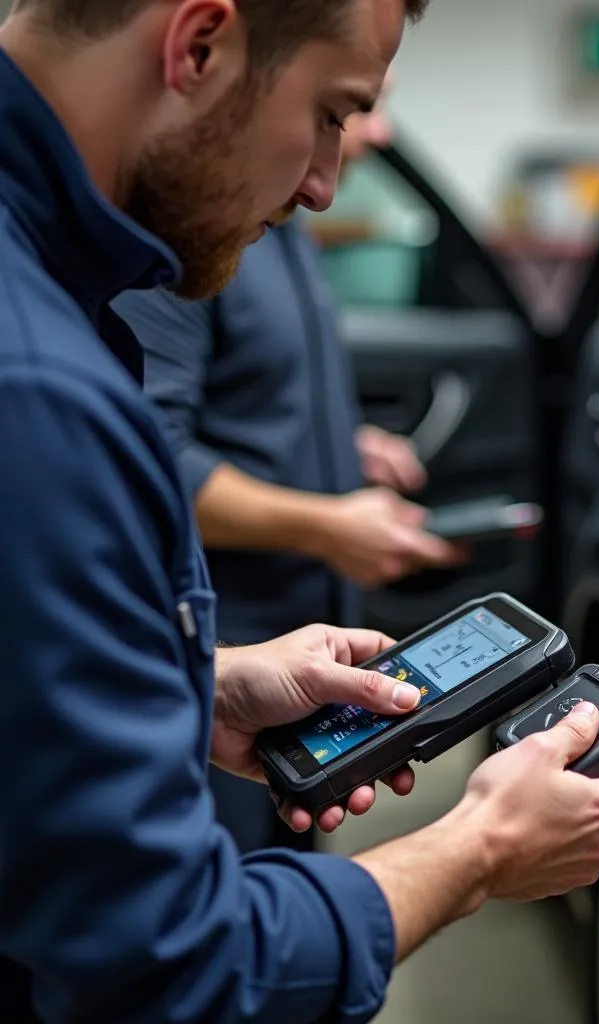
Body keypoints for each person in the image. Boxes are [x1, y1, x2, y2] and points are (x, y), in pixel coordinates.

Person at [0, 2, 599, 1022]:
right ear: (199, 44)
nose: (323, 180)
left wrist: (201, 685)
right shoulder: (40, 388)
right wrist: (480, 846)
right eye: (330, 110)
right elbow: (173, 968)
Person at [114, 71, 459, 856]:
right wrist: (330, 526)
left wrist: (344, 442)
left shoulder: (284, 231)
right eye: (346, 110)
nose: (374, 136)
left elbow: (250, 396)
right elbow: (152, 456)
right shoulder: (199, 237)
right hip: (224, 646)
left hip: (293, 667)